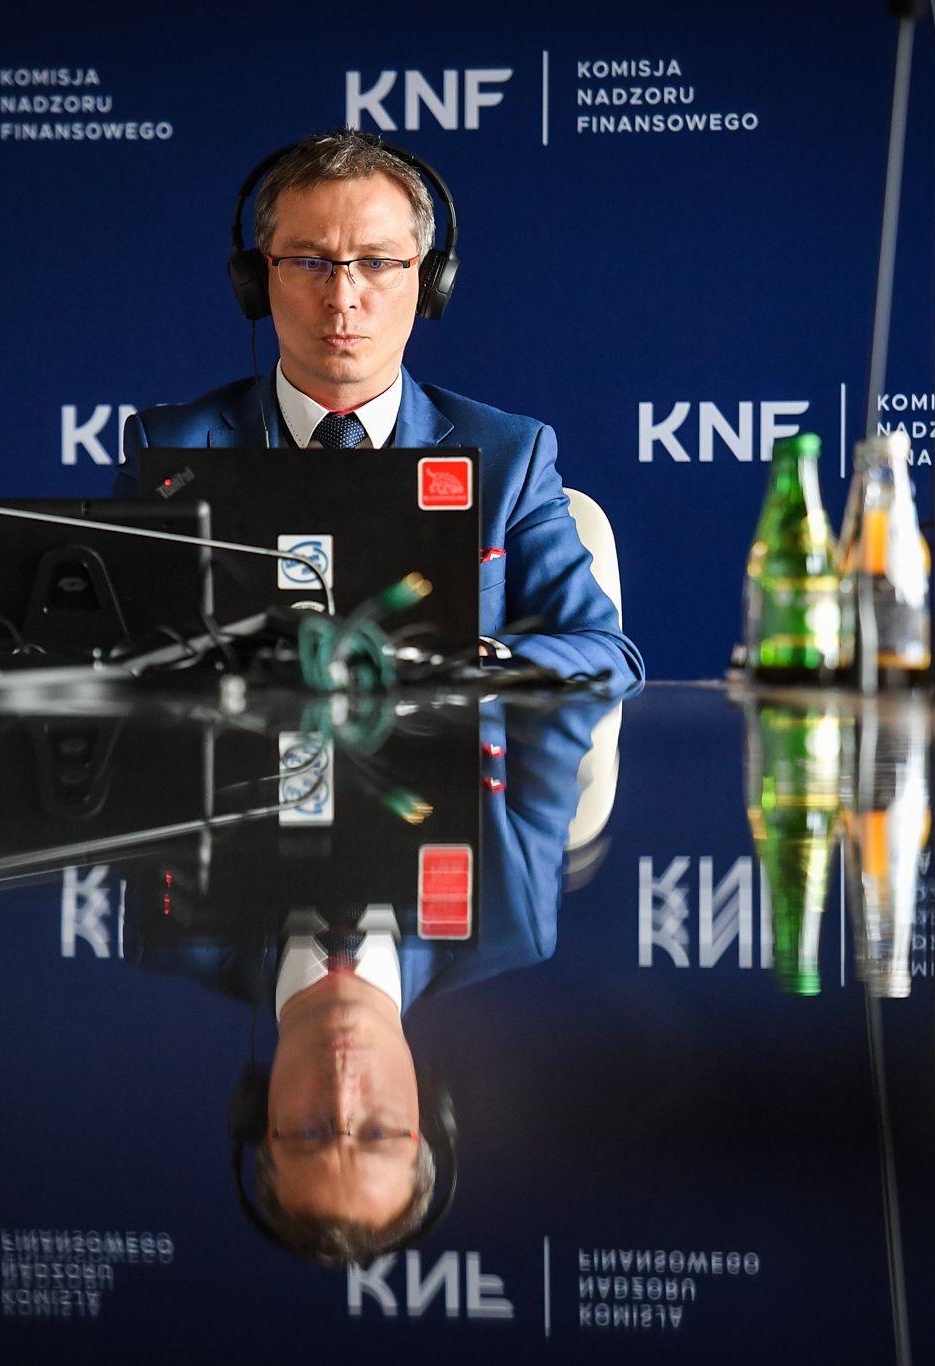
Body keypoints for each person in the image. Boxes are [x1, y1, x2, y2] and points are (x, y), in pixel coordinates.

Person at [116, 129, 642, 683]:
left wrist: (475, 658)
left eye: (376, 261)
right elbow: (103, 652)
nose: (342, 298)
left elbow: (606, 654)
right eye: (308, 261)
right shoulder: (167, 447)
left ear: (429, 281)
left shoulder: (509, 456)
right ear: (256, 281)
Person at [132, 692, 624, 1264]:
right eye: (376, 1132)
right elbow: (593, 667)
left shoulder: (174, 927)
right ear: (425, 1114)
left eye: (310, 1133)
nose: (342, 1090)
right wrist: (484, 664)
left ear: (263, 1117)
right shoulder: (509, 919)